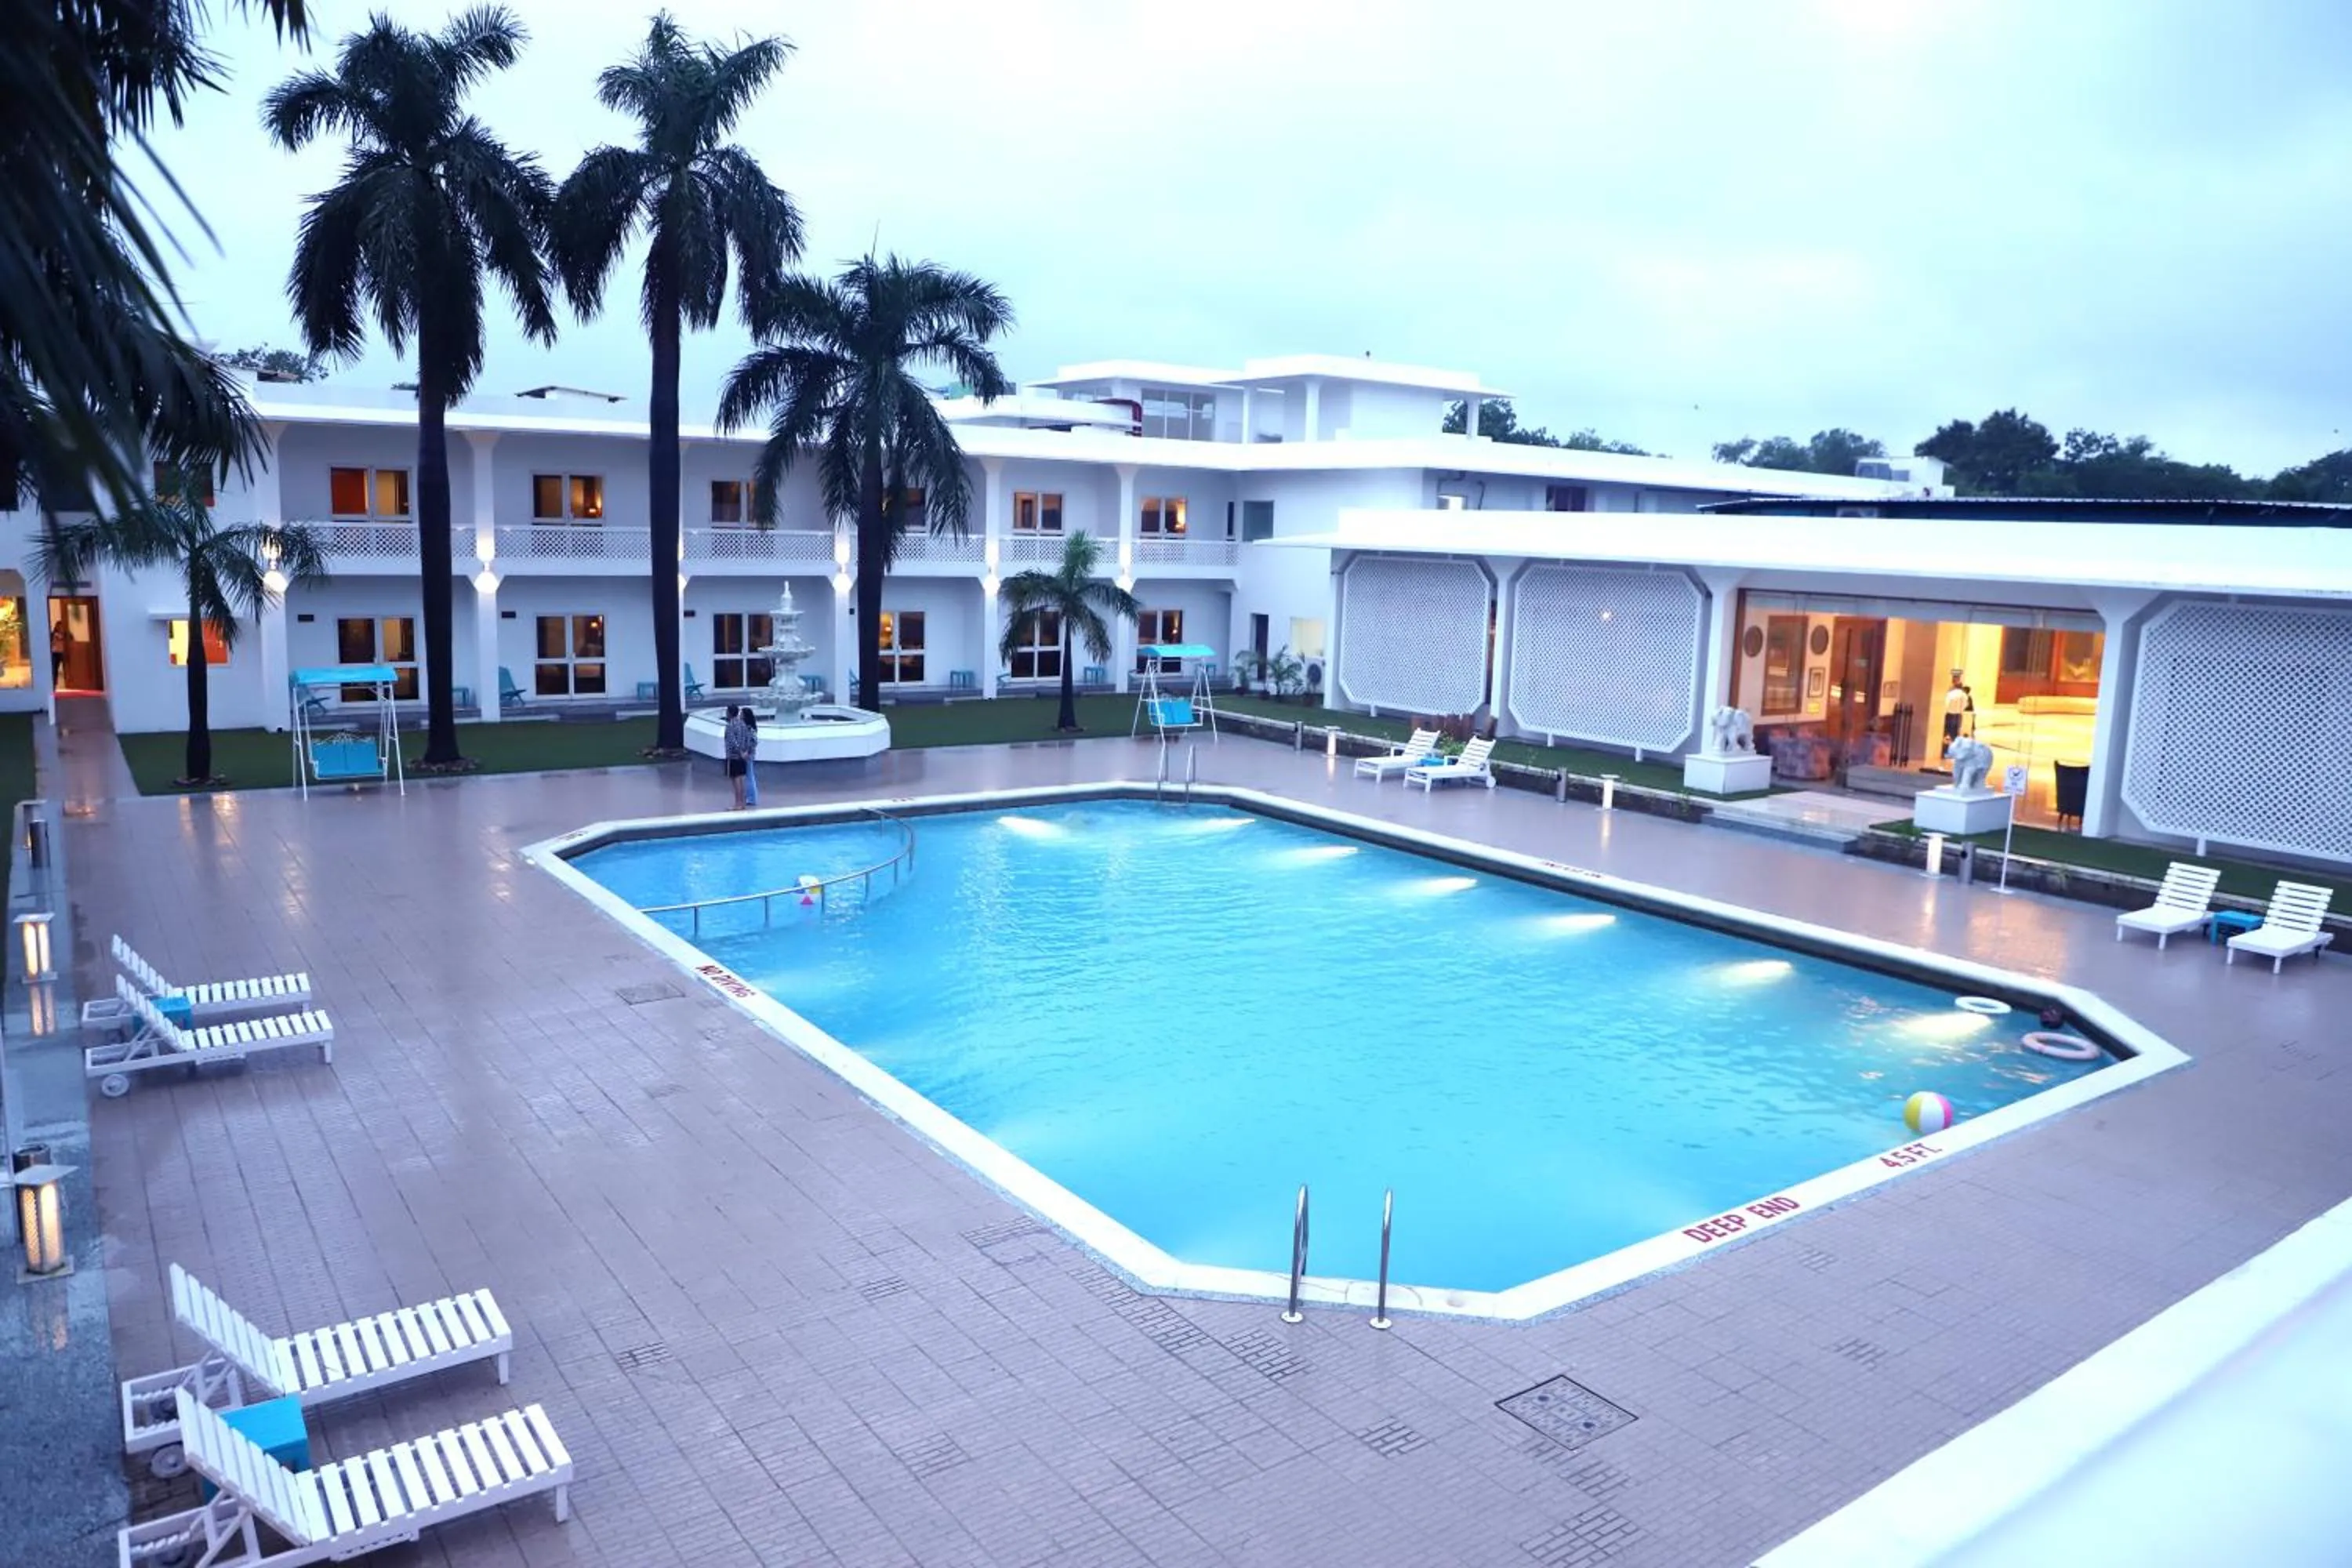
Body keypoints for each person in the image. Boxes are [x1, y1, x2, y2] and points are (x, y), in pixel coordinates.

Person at [722, 704, 753, 808]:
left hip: (733, 757)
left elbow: (733, 741)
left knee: (736, 780)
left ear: (730, 713)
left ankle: (737, 804)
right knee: (741, 779)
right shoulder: (743, 724)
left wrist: (740, 752)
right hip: (742, 756)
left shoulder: (730, 725)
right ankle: (743, 803)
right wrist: (746, 752)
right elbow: (748, 739)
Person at [1940, 670, 1969, 760]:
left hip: (1950, 715)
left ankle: (1946, 751)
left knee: (1947, 734)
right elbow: (1965, 705)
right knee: (1956, 734)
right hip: (1958, 715)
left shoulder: (1950, 694)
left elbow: (1946, 704)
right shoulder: (1963, 694)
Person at [49, 621, 67, 690]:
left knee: (67, 668)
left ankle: (68, 682)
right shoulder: (53, 634)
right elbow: (50, 643)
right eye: (59, 626)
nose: (60, 628)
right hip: (54, 653)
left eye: (62, 626)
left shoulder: (67, 635)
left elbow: (71, 641)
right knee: (54, 668)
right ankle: (54, 683)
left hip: (63, 653)